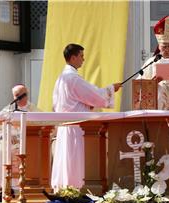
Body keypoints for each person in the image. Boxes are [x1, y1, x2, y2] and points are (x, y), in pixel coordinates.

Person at [51, 43, 122, 191]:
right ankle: (77, 188)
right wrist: (111, 89)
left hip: (66, 127)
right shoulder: (72, 78)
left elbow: (67, 102)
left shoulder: (61, 78)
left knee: (67, 160)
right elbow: (94, 95)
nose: (83, 59)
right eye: (81, 56)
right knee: (76, 160)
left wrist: (86, 105)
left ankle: (66, 188)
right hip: (77, 127)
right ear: (73, 57)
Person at [0, 85, 40, 191]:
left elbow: (42, 124)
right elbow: (0, 125)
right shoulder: (8, 109)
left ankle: (27, 186)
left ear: (27, 94)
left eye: (22, 94)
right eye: (17, 95)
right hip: (12, 143)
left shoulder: (34, 110)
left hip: (29, 142)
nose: (20, 97)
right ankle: (7, 187)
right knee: (1, 151)